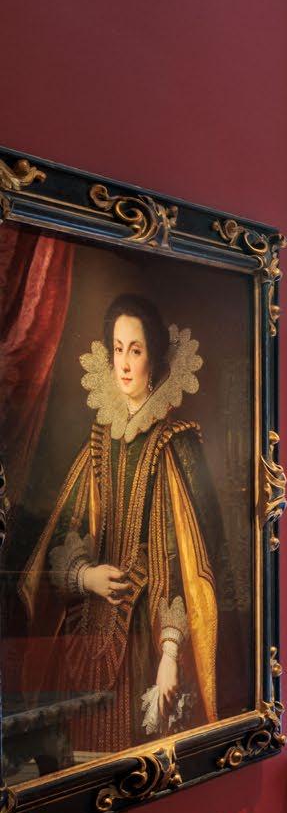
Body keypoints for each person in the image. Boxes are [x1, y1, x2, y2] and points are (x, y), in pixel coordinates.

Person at [18, 294, 224, 752]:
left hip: (145, 635)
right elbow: (64, 532)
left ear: (154, 358)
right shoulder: (99, 439)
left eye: (136, 350)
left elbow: (180, 558)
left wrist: (169, 653)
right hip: (86, 629)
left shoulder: (174, 442)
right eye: (117, 349)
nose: (125, 364)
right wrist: (84, 576)